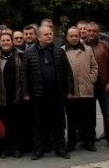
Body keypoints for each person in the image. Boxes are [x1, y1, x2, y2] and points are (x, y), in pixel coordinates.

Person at [23, 25, 73, 160]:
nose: (49, 36)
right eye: (46, 34)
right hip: (38, 95)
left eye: (50, 34)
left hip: (57, 94)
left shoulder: (59, 52)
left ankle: (60, 148)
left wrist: (69, 90)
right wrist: (26, 93)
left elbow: (67, 72)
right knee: (39, 123)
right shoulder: (29, 52)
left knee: (59, 123)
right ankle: (38, 150)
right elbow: (24, 75)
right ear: (38, 37)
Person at [0, 31, 26, 158]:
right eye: (3, 40)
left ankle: (17, 148)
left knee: (17, 124)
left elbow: (25, 76)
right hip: (1, 97)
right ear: (0, 43)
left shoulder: (21, 55)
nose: (5, 42)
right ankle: (4, 148)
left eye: (8, 40)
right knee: (4, 124)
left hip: (18, 95)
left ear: (12, 42)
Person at [63, 27, 98, 153]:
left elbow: (94, 66)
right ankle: (71, 142)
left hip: (86, 91)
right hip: (70, 92)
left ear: (79, 36)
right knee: (71, 119)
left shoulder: (87, 49)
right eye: (71, 36)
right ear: (67, 37)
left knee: (87, 118)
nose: (74, 38)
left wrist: (91, 79)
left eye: (76, 35)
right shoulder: (62, 51)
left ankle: (88, 142)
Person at [85, 21, 109, 147]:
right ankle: (91, 137)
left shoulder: (106, 46)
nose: (92, 33)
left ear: (98, 32)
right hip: (88, 86)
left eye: (94, 31)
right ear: (86, 32)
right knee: (90, 115)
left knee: (108, 114)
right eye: (89, 31)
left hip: (104, 85)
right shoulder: (81, 46)